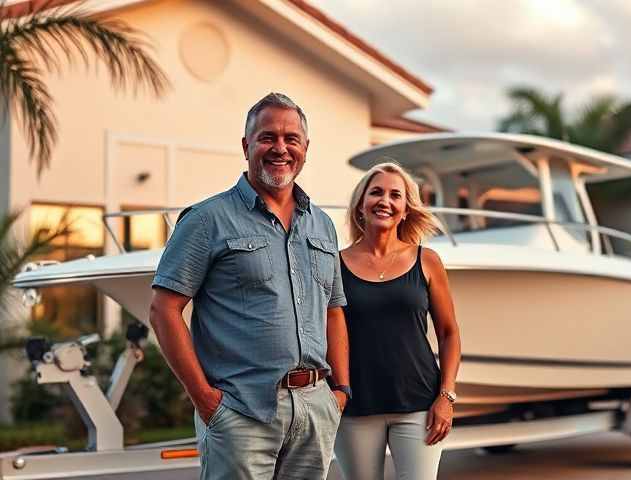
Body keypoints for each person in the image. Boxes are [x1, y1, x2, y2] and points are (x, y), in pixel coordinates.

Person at [149, 92, 350, 480]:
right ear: (246, 146)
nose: (280, 148)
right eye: (267, 137)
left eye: (291, 139)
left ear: (305, 148)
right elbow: (163, 310)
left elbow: (334, 309)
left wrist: (339, 392)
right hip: (240, 412)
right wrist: (206, 401)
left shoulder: (322, 224)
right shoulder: (207, 219)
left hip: (315, 410)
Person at [334, 161, 462, 480]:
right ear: (360, 205)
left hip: (420, 405)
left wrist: (446, 396)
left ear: (405, 209)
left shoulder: (427, 261)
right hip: (355, 407)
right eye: (376, 192)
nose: (385, 201)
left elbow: (449, 333)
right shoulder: (333, 264)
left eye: (396, 195)